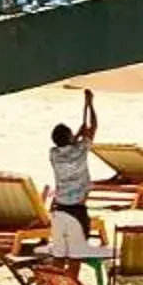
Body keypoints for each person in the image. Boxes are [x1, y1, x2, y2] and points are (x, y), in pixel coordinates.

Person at [47, 89, 99, 256]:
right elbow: (95, 126)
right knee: (77, 255)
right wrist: (90, 104)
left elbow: (67, 146)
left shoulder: (53, 154)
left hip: (60, 207)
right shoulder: (81, 150)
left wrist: (77, 134)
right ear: (69, 137)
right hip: (77, 208)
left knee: (60, 254)